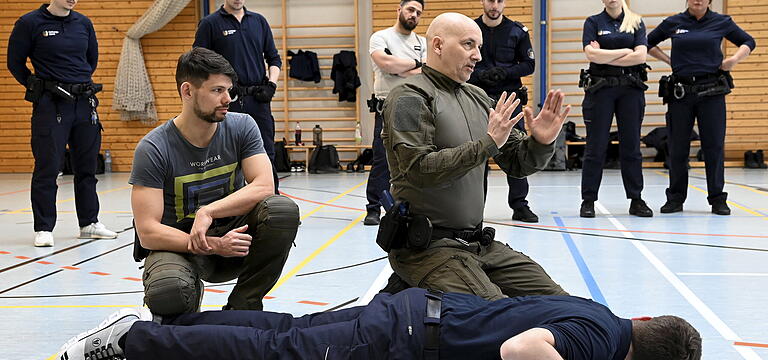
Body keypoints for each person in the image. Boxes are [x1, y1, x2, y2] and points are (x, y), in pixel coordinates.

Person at [382, 12, 571, 300]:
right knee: (500, 316)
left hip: (478, 244)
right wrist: (488, 143)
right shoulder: (409, 98)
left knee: (559, 302)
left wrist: (542, 142)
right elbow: (419, 170)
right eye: (469, 45)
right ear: (438, 45)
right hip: (428, 249)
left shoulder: (479, 98)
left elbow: (517, 163)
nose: (478, 56)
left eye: (479, 47)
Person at [57, 287, 702, 360]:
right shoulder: (597, 344)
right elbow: (525, 349)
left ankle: (146, 330)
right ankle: (135, 342)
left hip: (415, 316)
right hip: (406, 335)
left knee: (282, 334)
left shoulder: (602, 315)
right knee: (279, 353)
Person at [130, 47, 300, 316]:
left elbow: (265, 186)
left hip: (236, 238)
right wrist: (211, 244)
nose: (228, 98)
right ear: (187, 91)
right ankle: (187, 325)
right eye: (217, 90)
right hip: (183, 245)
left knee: (281, 210)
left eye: (229, 90)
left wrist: (208, 212)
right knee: (168, 290)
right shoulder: (153, 148)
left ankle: (243, 308)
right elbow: (148, 232)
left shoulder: (242, 126)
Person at [6, 0, 116, 247]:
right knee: (48, 167)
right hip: (51, 106)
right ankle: (44, 228)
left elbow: (90, 61)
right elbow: (15, 63)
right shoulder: (30, 23)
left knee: (87, 168)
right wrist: (38, 87)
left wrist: (77, 85)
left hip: (84, 104)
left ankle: (89, 223)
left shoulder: (83, 24)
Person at [648, 0, 755, 215]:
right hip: (681, 93)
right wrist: (668, 60)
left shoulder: (721, 22)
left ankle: (717, 199)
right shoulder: (674, 23)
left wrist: (733, 60)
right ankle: (675, 198)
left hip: (712, 93)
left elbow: (749, 41)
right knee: (677, 148)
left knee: (713, 147)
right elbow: (647, 43)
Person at [193, 0, 282, 194]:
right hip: (227, 100)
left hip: (258, 98)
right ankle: (230, 203)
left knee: (265, 150)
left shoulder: (258, 22)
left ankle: (272, 201)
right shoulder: (210, 24)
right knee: (225, 152)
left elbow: (274, 58)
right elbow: (198, 62)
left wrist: (271, 85)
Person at [578, 0, 653, 219]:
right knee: (595, 147)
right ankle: (588, 200)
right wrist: (624, 51)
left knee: (631, 147)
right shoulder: (593, 22)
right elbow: (591, 55)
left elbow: (641, 57)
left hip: (630, 90)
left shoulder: (636, 22)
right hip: (601, 90)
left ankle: (636, 199)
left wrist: (605, 54)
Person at [467, 0, 539, 223]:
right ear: (482, 0)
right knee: (477, 153)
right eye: (490, 0)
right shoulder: (470, 29)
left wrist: (504, 73)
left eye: (499, 1)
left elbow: (529, 64)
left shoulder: (518, 31)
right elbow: (459, 58)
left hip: (509, 100)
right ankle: (474, 208)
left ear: (504, 2)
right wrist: (479, 75)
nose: (494, 5)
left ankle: (520, 205)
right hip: (477, 99)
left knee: (516, 152)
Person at [363, 0, 427, 226]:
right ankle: (373, 208)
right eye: (410, 10)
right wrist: (413, 64)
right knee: (382, 160)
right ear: (398, 9)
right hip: (387, 106)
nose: (414, 15)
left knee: (414, 160)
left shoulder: (422, 42)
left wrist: (401, 67)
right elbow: (385, 64)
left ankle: (409, 206)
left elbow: (425, 72)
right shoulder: (381, 37)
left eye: (419, 13)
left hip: (415, 106)